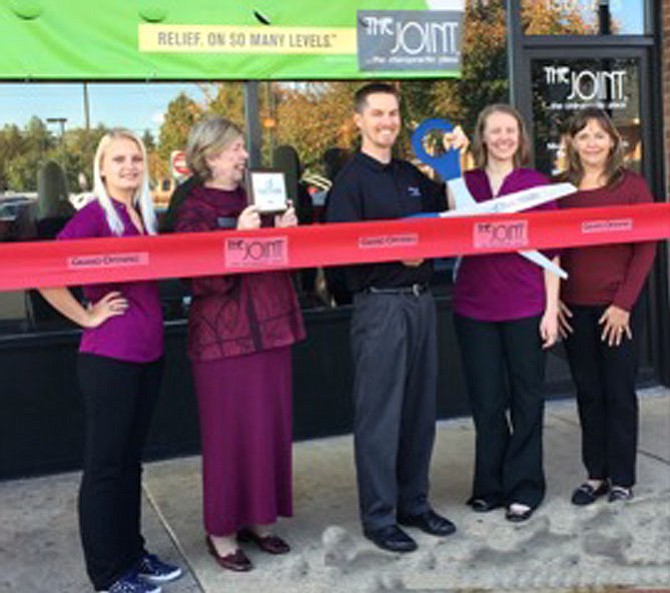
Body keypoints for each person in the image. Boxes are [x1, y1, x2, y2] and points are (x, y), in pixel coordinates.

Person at [39, 130, 182, 593]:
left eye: (136, 158)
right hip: (111, 359)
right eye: (118, 159)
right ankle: (108, 575)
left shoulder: (140, 214)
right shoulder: (95, 215)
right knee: (105, 468)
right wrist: (85, 315)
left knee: (129, 464)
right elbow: (45, 270)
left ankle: (131, 555)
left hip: (148, 355)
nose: (129, 166)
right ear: (101, 168)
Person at [326, 82, 455, 553]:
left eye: (394, 113)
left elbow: (448, 225)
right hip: (379, 306)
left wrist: (453, 170)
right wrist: (404, 256)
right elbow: (342, 258)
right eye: (378, 114)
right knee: (381, 416)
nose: (387, 122)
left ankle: (414, 505)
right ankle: (379, 518)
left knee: (420, 412)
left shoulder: (410, 175)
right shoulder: (349, 182)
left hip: (422, 304)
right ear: (358, 120)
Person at [174, 117, 305, 572]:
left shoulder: (257, 198)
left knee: (268, 429)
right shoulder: (192, 208)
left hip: (271, 327)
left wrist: (285, 233)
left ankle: (258, 521)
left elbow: (283, 260)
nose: (244, 156)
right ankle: (222, 532)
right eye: (234, 149)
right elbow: (199, 276)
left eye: (241, 149)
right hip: (222, 340)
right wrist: (239, 240)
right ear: (210, 156)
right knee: (228, 437)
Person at [450, 104, 560, 522]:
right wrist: (454, 166)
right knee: (487, 402)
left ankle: (526, 487)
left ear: (521, 137)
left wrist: (551, 309)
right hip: (475, 309)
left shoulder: (536, 185)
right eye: (494, 131)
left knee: (527, 400)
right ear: (481, 137)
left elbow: (552, 250)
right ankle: (490, 486)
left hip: (526, 307)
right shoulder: (469, 181)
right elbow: (454, 225)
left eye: (509, 130)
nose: (502, 138)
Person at [557, 108, 656, 505]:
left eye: (600, 135)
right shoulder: (559, 189)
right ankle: (595, 474)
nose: (592, 143)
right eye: (584, 136)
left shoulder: (631, 186)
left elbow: (646, 246)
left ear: (613, 141)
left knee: (618, 393)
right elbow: (551, 249)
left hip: (619, 310)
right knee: (588, 393)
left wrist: (623, 304)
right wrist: (557, 298)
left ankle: (622, 479)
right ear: (573, 144)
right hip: (575, 309)